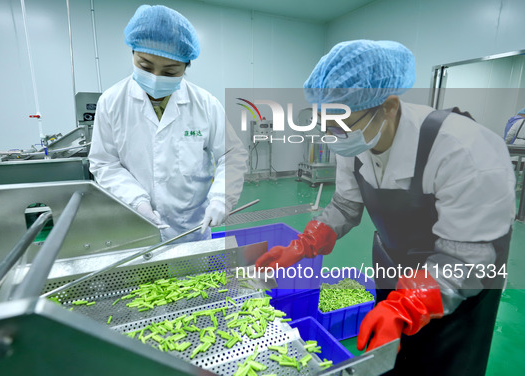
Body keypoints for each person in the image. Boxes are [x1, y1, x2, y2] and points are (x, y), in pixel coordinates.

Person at [256, 40, 515, 375]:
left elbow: (467, 257)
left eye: (340, 124)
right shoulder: (355, 138)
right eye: (324, 123)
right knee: (391, 358)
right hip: (395, 267)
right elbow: (346, 204)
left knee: (440, 363)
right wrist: (302, 245)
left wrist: (407, 304)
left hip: (457, 287)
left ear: (389, 106)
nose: (331, 135)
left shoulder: (464, 150)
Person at [89, 5, 247, 243]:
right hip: (135, 226)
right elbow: (105, 162)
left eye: (170, 72)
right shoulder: (111, 102)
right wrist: (137, 202)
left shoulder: (205, 104)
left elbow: (232, 153)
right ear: (132, 53)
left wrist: (221, 198)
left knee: (197, 280)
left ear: (185, 67)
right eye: (145, 66)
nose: (155, 78)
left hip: (192, 229)